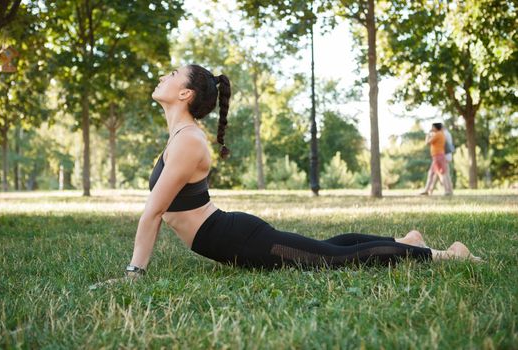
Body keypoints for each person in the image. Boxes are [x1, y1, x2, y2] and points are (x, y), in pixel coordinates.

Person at [124, 65, 480, 279]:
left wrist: (134, 273)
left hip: (236, 239)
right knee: (326, 248)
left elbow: (154, 211)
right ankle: (405, 242)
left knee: (333, 260)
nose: (162, 77)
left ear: (185, 93)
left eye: (171, 75)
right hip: (229, 234)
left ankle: (445, 255)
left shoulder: (187, 141)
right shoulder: (181, 137)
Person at [420, 123, 453, 196]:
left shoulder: (438, 134)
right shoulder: (441, 134)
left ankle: (446, 191)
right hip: (438, 155)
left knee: (439, 173)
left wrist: (428, 135)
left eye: (433, 127)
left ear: (436, 127)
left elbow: (427, 142)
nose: (431, 128)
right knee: (438, 173)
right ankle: (429, 190)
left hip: (438, 156)